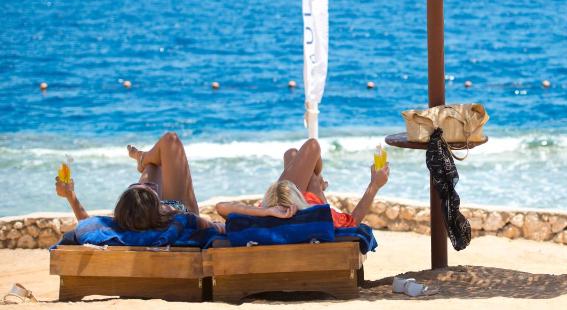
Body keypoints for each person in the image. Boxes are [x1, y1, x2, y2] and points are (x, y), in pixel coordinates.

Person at [54, 132, 294, 233]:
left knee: (152, 169)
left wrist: (71, 197)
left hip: (148, 210)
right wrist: (264, 213)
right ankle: (144, 158)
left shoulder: (121, 223)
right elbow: (220, 227)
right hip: (180, 207)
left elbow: (87, 223)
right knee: (170, 141)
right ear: (156, 204)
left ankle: (145, 160)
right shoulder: (182, 220)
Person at [216, 138, 389, 228]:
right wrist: (374, 185)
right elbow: (352, 222)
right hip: (303, 204)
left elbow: (221, 207)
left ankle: (319, 182)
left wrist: (266, 211)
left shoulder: (261, 217)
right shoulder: (318, 215)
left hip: (282, 205)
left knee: (292, 154)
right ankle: (319, 181)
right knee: (309, 149)